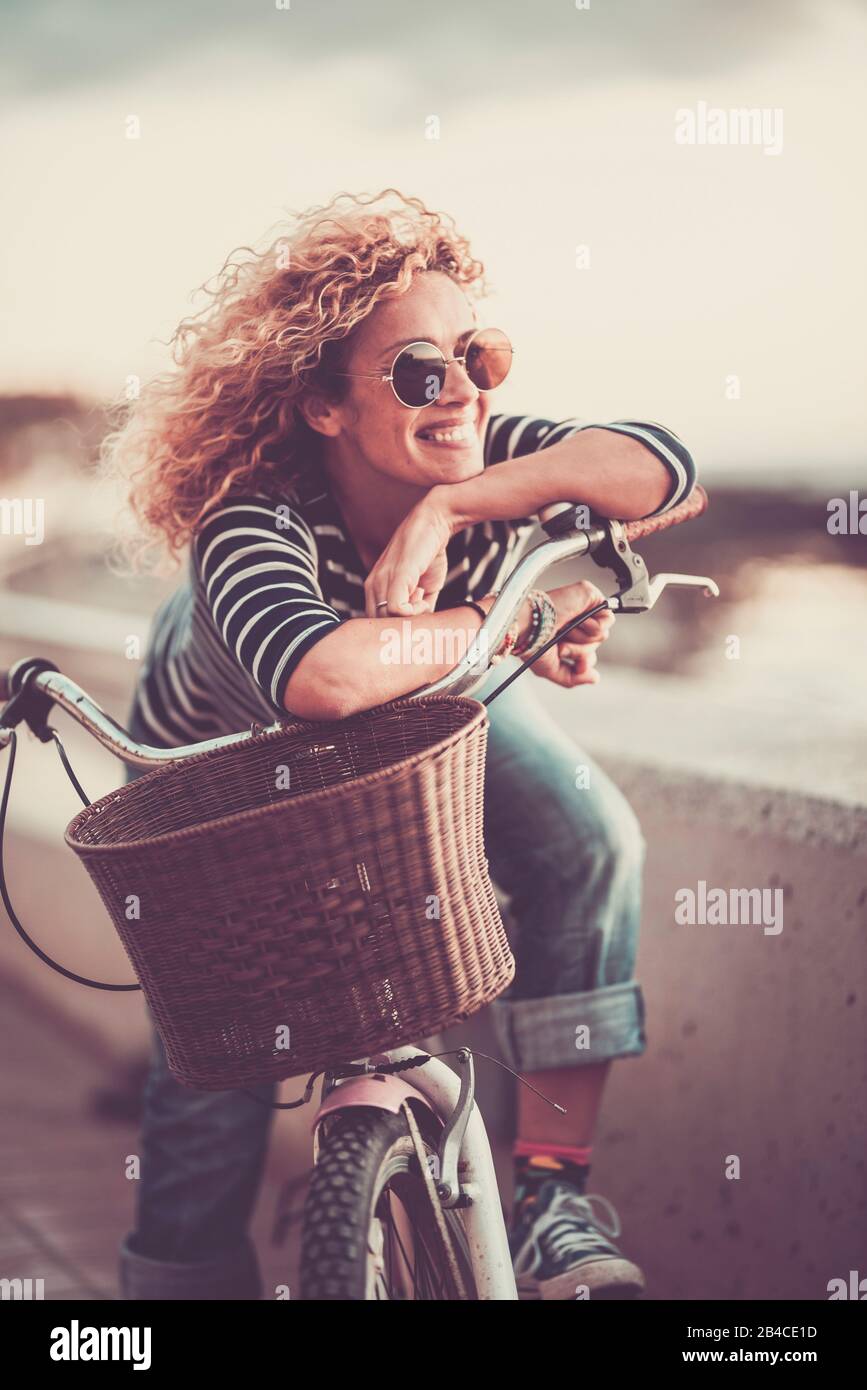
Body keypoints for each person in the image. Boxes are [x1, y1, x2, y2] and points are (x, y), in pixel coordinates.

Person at [105, 188, 696, 1301]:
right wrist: (506, 622)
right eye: (421, 371)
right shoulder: (253, 524)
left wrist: (456, 511)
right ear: (327, 406)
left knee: (588, 843)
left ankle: (555, 1204)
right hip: (222, 780)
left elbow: (666, 471)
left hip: (409, 695)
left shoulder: (470, 458)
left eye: (482, 356)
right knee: (216, 1080)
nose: (465, 390)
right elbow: (321, 678)